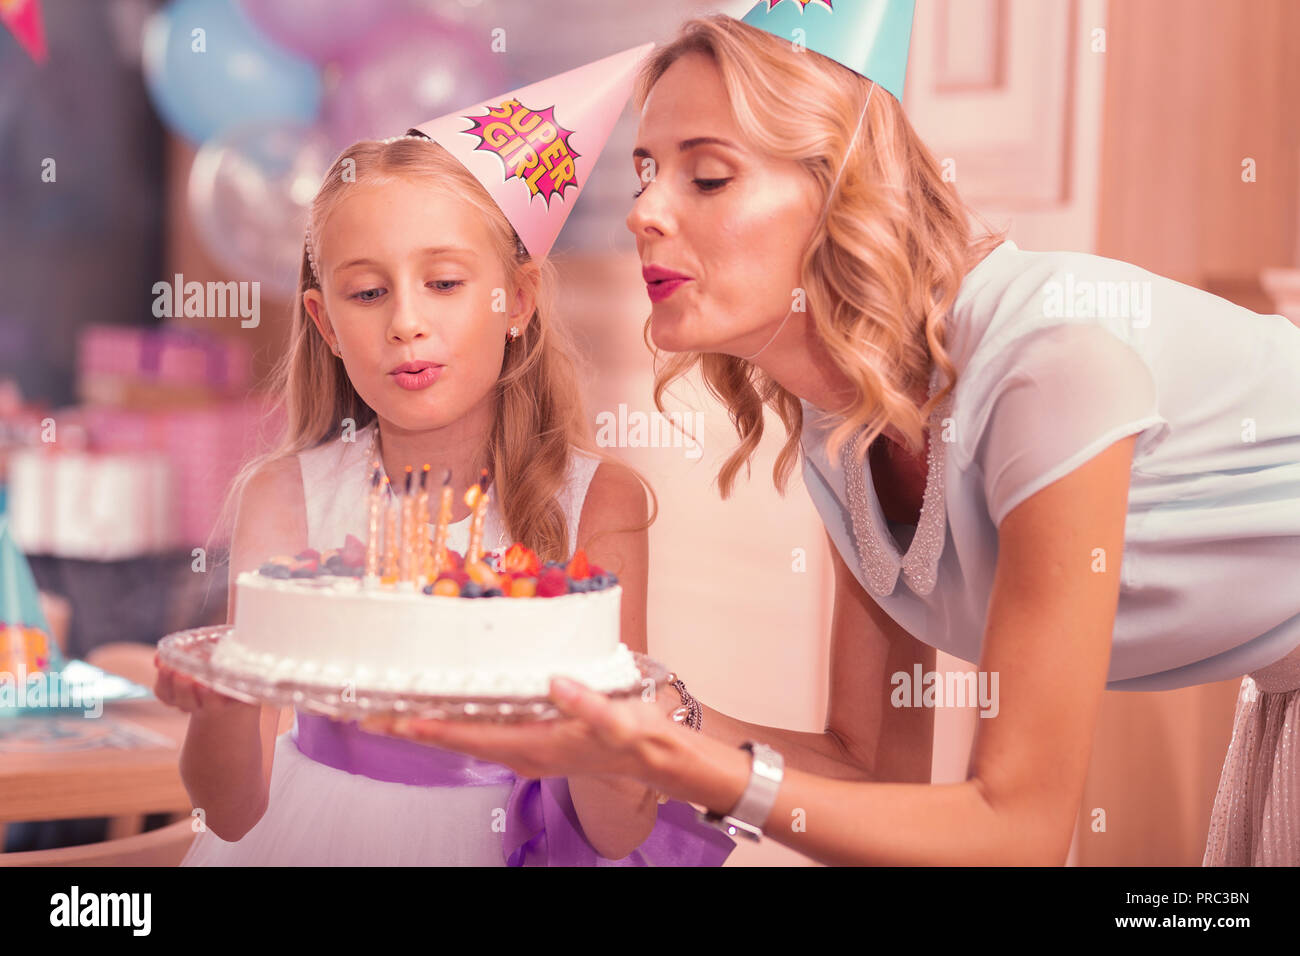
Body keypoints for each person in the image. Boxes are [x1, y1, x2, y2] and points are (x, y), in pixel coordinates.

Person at [367, 3, 1300, 866]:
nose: (644, 211)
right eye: (647, 172)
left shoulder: (1049, 366)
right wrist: (650, 721)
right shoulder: (842, 430)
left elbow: (1017, 831)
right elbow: (873, 773)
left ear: (845, 191)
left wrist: (690, 766)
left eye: (709, 175)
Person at [154, 46, 734, 866]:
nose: (405, 324)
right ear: (324, 323)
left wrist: (623, 734)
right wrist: (216, 705)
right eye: (367, 292)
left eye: (446, 283)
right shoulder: (286, 498)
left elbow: (615, 826)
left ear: (518, 302)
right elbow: (233, 811)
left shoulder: (601, 504)